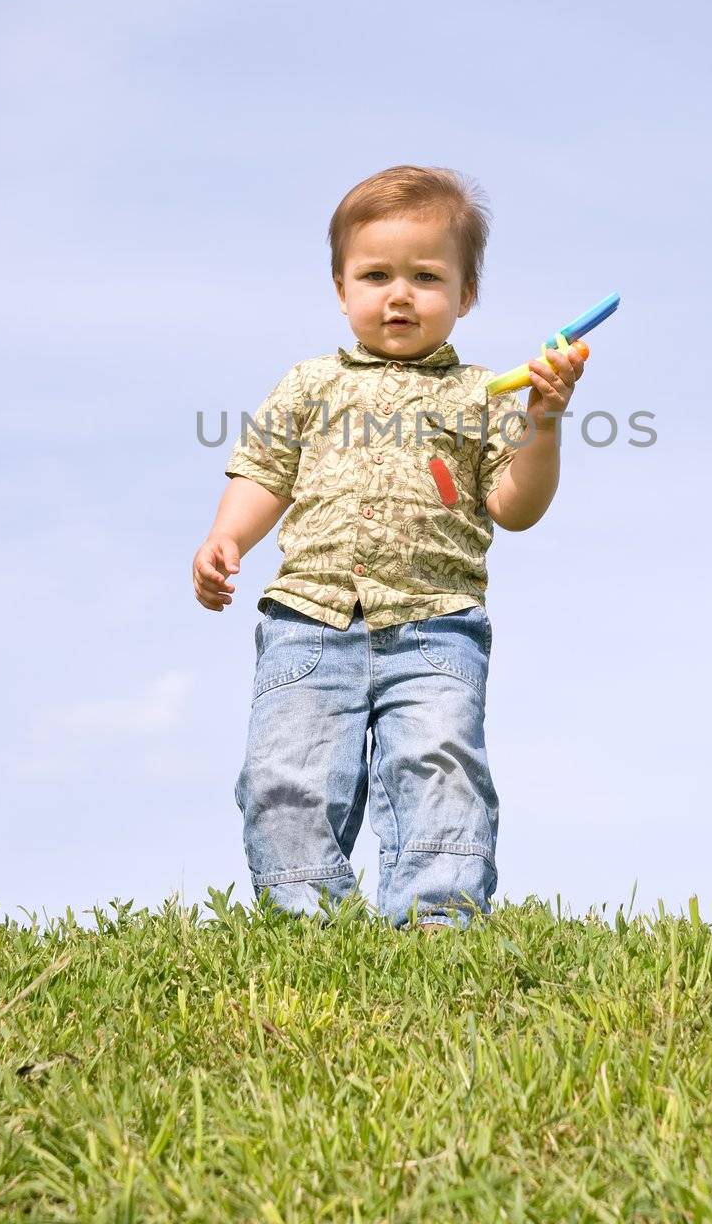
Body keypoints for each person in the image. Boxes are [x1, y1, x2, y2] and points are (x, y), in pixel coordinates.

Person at [192, 165, 587, 932]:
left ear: (465, 295)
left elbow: (516, 508)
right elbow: (263, 472)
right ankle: (306, 925)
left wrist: (542, 418)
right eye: (375, 275)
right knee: (284, 777)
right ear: (340, 288)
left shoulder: (485, 395)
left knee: (440, 770)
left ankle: (437, 924)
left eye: (425, 277)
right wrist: (226, 536)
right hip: (308, 621)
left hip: (435, 627)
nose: (398, 294)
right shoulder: (309, 383)